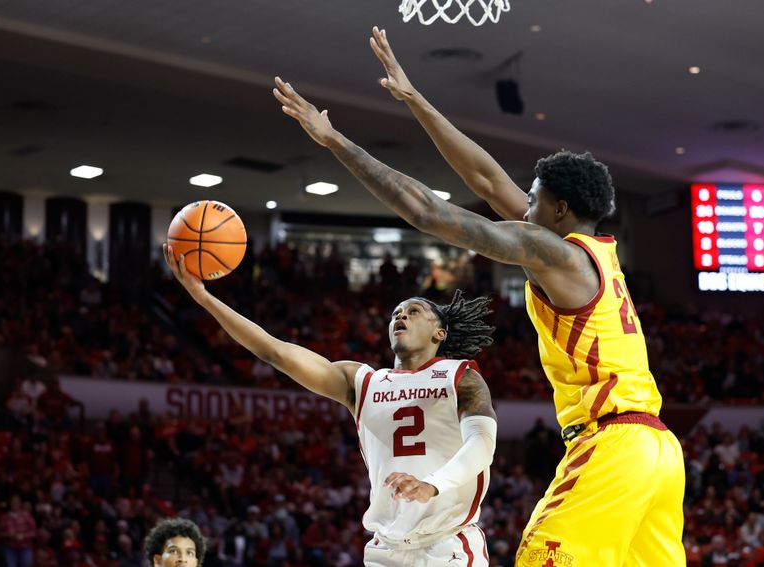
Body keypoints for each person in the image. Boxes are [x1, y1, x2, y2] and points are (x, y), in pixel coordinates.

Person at [272, 26, 685, 566]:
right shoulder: (592, 252)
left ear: (558, 211)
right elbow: (489, 179)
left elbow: (428, 213)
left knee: (541, 556)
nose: (522, 210)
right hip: (659, 450)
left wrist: (335, 142)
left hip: (611, 445)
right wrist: (415, 99)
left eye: (533, 202)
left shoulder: (555, 253)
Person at [163, 244, 497, 566]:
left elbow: (481, 443)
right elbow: (274, 352)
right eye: (396, 313)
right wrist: (204, 298)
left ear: (440, 333)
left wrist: (433, 484)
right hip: (387, 548)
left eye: (414, 312)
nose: (401, 316)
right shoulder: (363, 383)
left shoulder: (460, 376)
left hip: (447, 544)